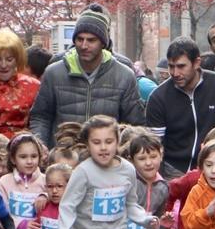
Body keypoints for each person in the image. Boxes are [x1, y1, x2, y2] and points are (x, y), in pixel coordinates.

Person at [28, 8, 144, 147]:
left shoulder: (124, 75)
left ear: (103, 42)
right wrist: (41, 148)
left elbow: (134, 124)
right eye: (79, 39)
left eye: (91, 40)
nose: (84, 45)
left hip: (106, 158)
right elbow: (40, 117)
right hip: (64, 156)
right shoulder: (54, 72)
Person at [146, 36, 215, 178]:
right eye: (171, 66)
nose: (175, 73)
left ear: (197, 63)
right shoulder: (158, 97)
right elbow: (155, 146)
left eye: (181, 66)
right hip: (174, 172)